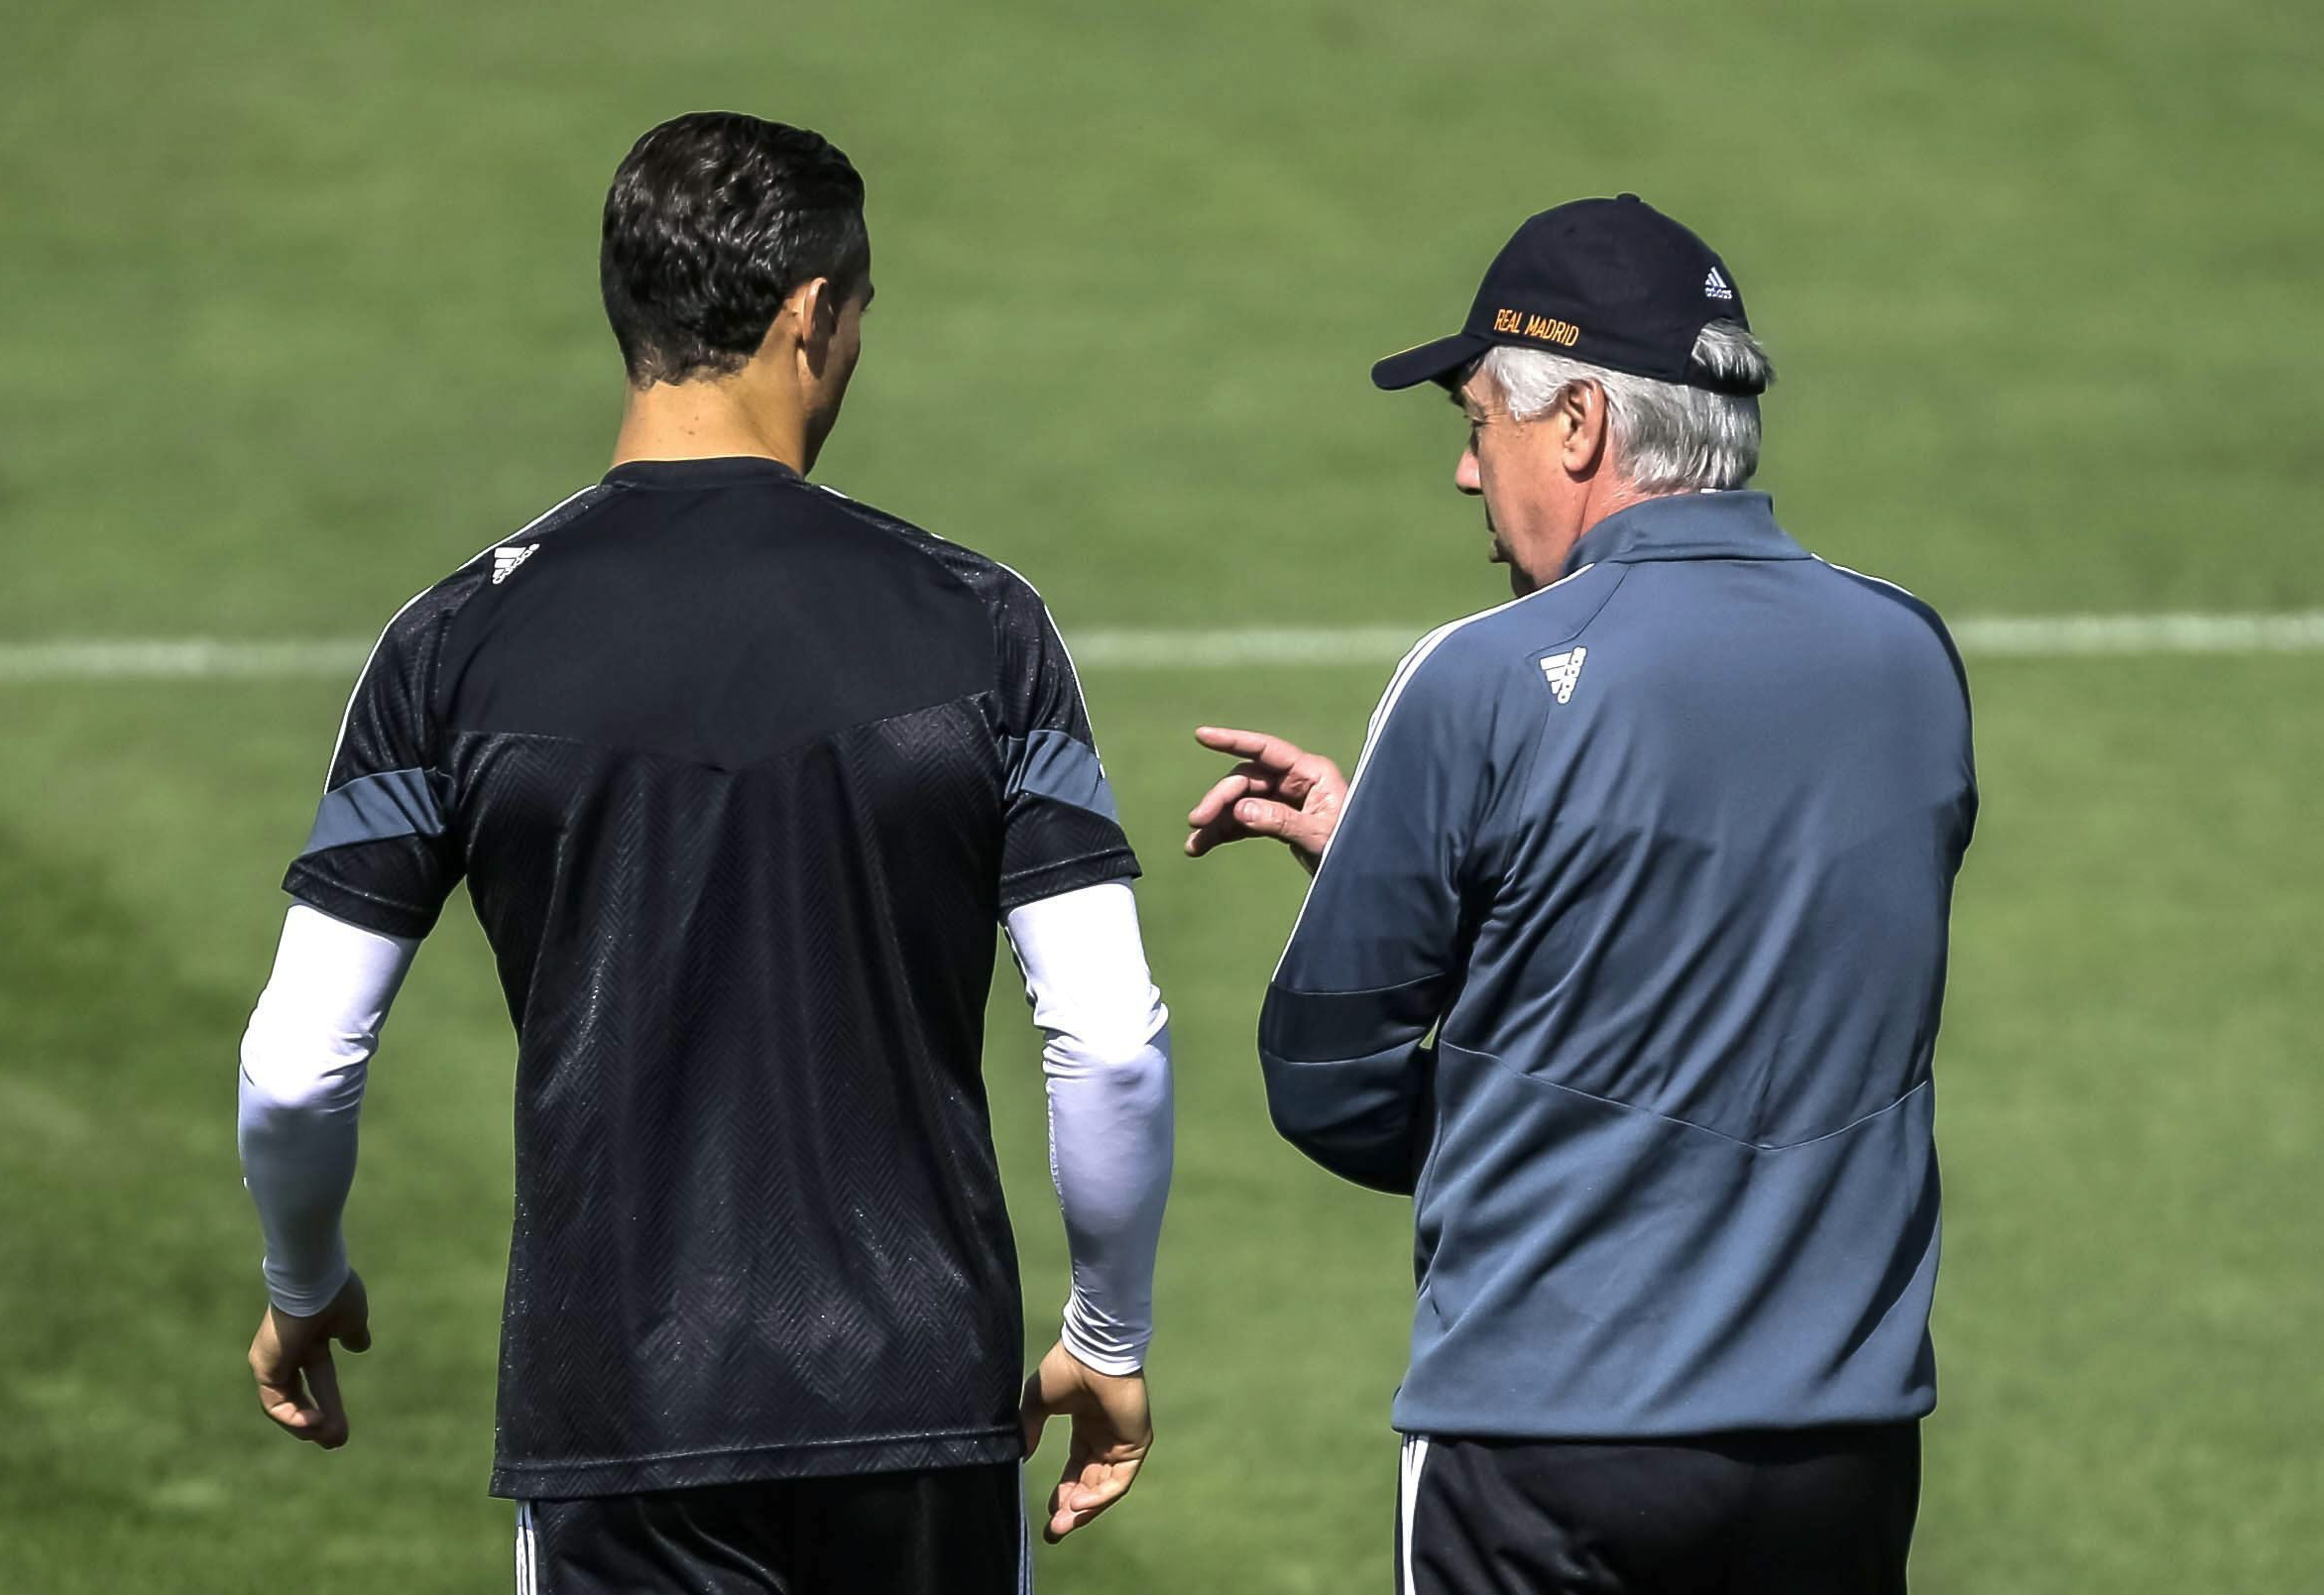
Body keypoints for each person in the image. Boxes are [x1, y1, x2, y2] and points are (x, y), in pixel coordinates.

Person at [236, 111, 1173, 1594]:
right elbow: (1109, 1038)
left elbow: (296, 1064)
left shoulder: (453, 646)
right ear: (810, 314)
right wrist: (1106, 1335)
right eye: (860, 311)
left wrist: (304, 1279)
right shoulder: (980, 624)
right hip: (919, 1409)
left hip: (621, 1417)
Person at [1185, 195, 1975, 1594]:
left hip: (1541, 1445)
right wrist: (1417, 858)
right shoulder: (1911, 654)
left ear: (1577, 425)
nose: (1462, 472)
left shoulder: (1479, 678)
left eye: (1475, 421)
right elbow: (1760, 928)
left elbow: (1326, 1082)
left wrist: (1558, 1145)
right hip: (1839, 1456)